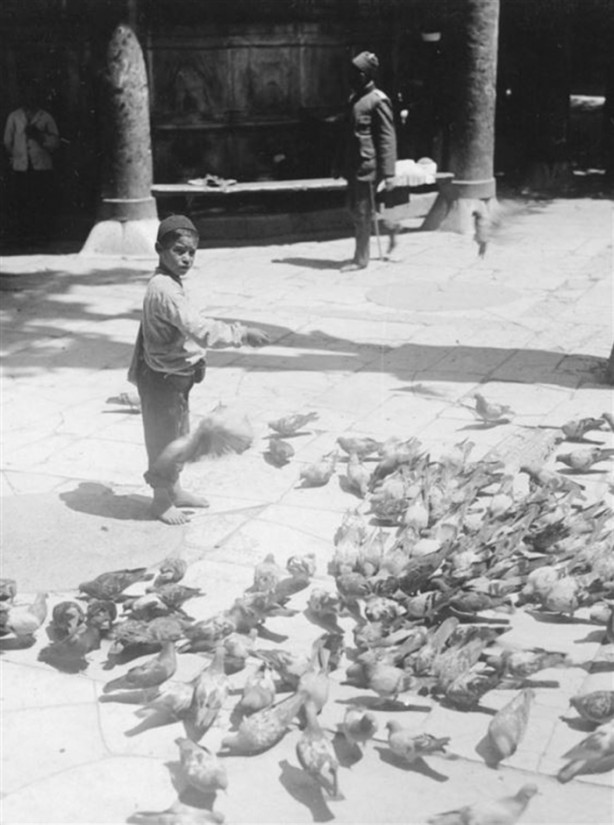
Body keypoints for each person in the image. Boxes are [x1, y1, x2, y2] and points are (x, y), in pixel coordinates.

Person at [128, 215, 269, 525]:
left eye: (192, 252)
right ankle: (160, 501)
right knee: (164, 441)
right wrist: (240, 333)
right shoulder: (165, 290)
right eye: (179, 250)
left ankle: (174, 489)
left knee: (178, 436)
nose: (186, 258)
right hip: (162, 380)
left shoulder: (166, 282)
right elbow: (199, 329)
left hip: (173, 376)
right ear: (159, 249)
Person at [336, 51, 398, 271]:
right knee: (354, 209)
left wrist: (389, 173)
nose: (350, 76)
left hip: (367, 166)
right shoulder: (355, 99)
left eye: (355, 73)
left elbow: (387, 138)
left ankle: (360, 259)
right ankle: (390, 227)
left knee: (361, 212)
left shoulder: (378, 101)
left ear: (364, 75)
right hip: (354, 164)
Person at [3, 86, 60, 242]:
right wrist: (17, 156)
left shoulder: (45, 117)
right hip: (21, 167)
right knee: (22, 201)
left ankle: (41, 235)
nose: (30, 99)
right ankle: (24, 235)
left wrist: (39, 137)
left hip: (41, 166)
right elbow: (8, 141)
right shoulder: (14, 117)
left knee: (40, 201)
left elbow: (55, 143)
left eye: (33, 96)